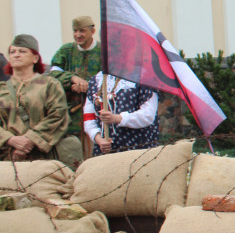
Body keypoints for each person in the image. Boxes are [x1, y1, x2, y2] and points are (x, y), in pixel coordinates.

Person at [0, 35, 76, 163]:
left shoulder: (50, 85)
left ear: (35, 58)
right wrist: (11, 140)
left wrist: (30, 140)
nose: (16, 55)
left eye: (22, 51)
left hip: (45, 158)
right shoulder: (2, 89)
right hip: (8, 158)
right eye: (12, 52)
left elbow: (58, 116)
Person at [49, 16, 102, 156]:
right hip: (70, 117)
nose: (78, 35)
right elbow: (52, 75)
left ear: (93, 31)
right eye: (75, 31)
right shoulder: (66, 51)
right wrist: (72, 79)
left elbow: (110, 79)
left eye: (82, 31)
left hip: (97, 114)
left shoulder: (103, 52)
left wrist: (88, 87)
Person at [82, 73, 159, 155]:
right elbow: (89, 118)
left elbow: (148, 115)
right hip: (105, 152)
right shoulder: (97, 80)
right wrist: (99, 140)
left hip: (136, 150)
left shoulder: (144, 78)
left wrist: (117, 119)